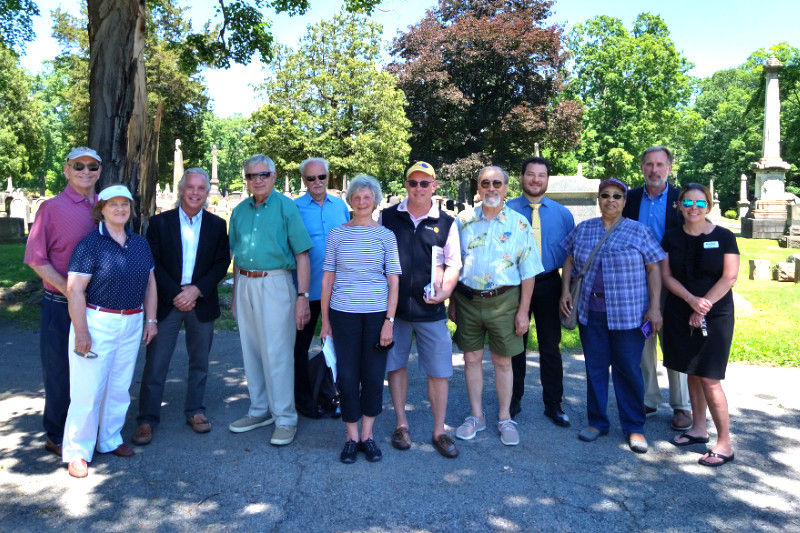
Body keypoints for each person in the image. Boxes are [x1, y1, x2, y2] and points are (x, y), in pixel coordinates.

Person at [559, 178, 664, 454]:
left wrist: (654, 308)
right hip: (591, 312)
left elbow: (654, 269)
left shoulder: (638, 231)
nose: (611, 200)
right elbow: (568, 259)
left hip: (629, 315)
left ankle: (634, 427)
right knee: (594, 369)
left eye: (617, 196)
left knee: (628, 370)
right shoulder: (584, 229)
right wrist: (565, 291)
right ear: (598, 199)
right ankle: (597, 422)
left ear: (625, 201)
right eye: (605, 195)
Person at [62, 184, 157, 478]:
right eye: (113, 204)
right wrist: (81, 331)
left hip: (131, 322)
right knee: (88, 390)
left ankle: (110, 439)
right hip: (97, 322)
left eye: (125, 204)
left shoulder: (139, 243)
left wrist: (150, 320)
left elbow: (150, 283)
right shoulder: (89, 245)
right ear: (100, 209)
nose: (120, 209)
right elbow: (75, 289)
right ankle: (77, 451)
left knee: (119, 387)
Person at [133, 168, 231, 445]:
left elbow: (221, 262)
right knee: (156, 363)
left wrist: (197, 290)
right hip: (167, 301)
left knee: (200, 361)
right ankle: (147, 419)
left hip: (201, 301)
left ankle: (196, 410)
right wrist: (177, 292)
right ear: (181, 189)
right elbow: (154, 262)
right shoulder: (160, 222)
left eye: (202, 188)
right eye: (191, 187)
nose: (196, 193)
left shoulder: (216, 225)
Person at [450, 166, 543, 447]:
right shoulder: (462, 221)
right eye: (485, 183)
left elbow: (528, 272)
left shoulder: (519, 224)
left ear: (506, 188)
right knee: (471, 359)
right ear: (478, 188)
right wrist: (452, 301)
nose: (491, 188)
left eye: (497, 183)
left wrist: (524, 311)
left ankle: (505, 418)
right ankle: (476, 416)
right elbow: (453, 265)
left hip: (505, 301)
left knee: (504, 362)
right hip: (467, 301)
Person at [228, 154, 313, 446]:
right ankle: (259, 409)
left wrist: (302, 297)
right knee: (251, 350)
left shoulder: (286, 208)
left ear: (274, 176)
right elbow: (237, 257)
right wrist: (236, 294)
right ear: (246, 179)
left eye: (263, 174)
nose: (258, 180)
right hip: (246, 284)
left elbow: (302, 255)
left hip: (276, 283)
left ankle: (286, 417)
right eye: (252, 176)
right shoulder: (239, 212)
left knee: (277, 352)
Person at [24, 146, 101, 457]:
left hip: (99, 306)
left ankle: (88, 429)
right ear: (67, 170)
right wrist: (70, 291)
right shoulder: (51, 209)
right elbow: (36, 259)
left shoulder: (107, 205)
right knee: (59, 371)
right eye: (78, 166)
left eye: (92, 166)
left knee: (94, 369)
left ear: (99, 171)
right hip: (60, 303)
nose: (86, 172)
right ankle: (56, 433)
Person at [381, 161, 461, 458]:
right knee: (395, 365)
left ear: (434, 187)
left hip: (431, 310)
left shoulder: (447, 222)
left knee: (439, 371)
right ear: (406, 185)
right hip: (396, 309)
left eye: (424, 184)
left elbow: (453, 263)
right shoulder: (388, 217)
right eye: (413, 183)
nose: (418, 188)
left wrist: (446, 291)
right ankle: (401, 424)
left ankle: (439, 430)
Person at [319, 175, 401, 464]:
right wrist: (325, 321)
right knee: (347, 375)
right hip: (343, 315)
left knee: (373, 375)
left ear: (375, 201)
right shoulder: (337, 234)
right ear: (350, 200)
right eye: (357, 197)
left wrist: (390, 320)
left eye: (368, 197)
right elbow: (328, 278)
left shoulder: (385, 236)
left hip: (377, 315)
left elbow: (393, 281)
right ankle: (351, 436)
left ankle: (368, 435)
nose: (362, 201)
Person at [661, 183, 739, 467]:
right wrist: (692, 301)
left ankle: (725, 443)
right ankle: (698, 429)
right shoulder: (670, 237)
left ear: (709, 205)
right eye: (688, 203)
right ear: (679, 206)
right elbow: (667, 276)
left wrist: (703, 304)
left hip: (716, 315)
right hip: (681, 311)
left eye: (700, 203)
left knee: (709, 377)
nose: (694, 208)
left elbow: (729, 277)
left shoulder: (724, 236)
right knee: (691, 372)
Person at [622, 146, 692, 432]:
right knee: (644, 340)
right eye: (649, 164)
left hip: (674, 280)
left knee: (674, 341)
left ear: (669, 168)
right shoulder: (631, 198)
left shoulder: (682, 199)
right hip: (637, 281)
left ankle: (682, 405)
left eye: (660, 165)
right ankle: (649, 399)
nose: (654, 170)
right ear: (642, 167)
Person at [507, 156, 575, 426]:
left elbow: (569, 255)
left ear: (548, 179)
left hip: (549, 283)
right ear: (521, 177)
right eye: (530, 174)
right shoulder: (507, 210)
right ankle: (512, 399)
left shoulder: (562, 214)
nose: (536, 180)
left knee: (550, 347)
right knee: (514, 345)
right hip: (514, 285)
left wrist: (566, 289)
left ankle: (554, 404)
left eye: (541, 175)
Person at [293, 157, 350, 418]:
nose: (317, 183)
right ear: (303, 180)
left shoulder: (340, 206)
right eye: (310, 178)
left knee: (339, 346)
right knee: (300, 346)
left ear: (329, 177)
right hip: (307, 289)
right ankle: (304, 400)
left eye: (321, 177)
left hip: (339, 290)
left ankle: (334, 396)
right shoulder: (294, 208)